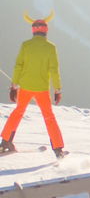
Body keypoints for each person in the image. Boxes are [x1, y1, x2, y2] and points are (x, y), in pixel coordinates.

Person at [1, 14, 66, 158]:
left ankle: (5, 142)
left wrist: (14, 87)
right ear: (45, 31)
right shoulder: (50, 47)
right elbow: (54, 70)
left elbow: (18, 66)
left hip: (24, 86)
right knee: (49, 117)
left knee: (17, 112)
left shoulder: (26, 45)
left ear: (33, 31)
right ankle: (58, 149)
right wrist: (57, 89)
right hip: (41, 89)